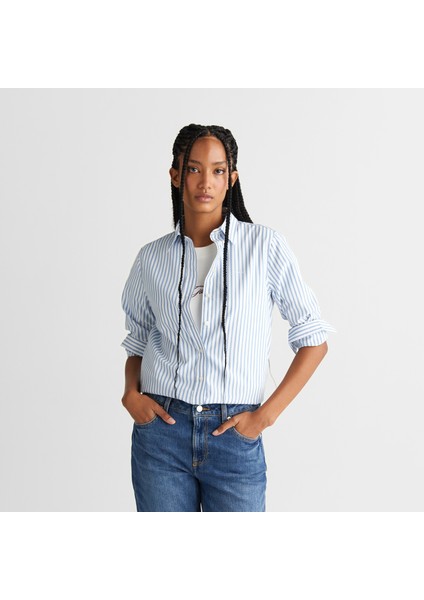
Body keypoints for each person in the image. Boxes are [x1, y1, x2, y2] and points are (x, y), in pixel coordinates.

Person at [120, 123, 337, 512]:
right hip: (161, 436)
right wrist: (130, 394)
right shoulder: (151, 257)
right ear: (175, 176)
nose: (206, 181)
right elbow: (138, 338)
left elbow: (314, 341)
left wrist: (263, 418)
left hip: (234, 435)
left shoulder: (264, 247)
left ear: (231, 179)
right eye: (193, 168)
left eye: (218, 170)